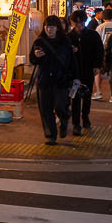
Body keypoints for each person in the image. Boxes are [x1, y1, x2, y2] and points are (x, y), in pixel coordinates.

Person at [29, 15, 79, 145]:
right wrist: (36, 56)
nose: (48, 29)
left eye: (51, 27)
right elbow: (32, 60)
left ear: (57, 28)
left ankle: (63, 120)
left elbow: (72, 61)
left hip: (61, 80)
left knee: (60, 106)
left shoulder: (65, 42)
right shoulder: (39, 42)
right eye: (46, 26)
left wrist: (75, 77)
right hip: (44, 80)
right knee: (45, 109)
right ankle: (50, 135)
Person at [67, 10, 104, 135]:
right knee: (75, 97)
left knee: (87, 95)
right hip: (74, 72)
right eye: (76, 22)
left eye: (81, 22)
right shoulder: (69, 37)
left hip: (88, 70)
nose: (79, 25)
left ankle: (85, 117)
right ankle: (76, 123)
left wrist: (97, 65)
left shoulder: (93, 35)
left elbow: (99, 51)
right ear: (72, 22)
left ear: (84, 21)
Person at [93, 9, 112, 100]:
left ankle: (98, 92)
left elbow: (96, 40)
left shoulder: (100, 27)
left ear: (103, 17)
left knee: (98, 71)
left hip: (103, 51)